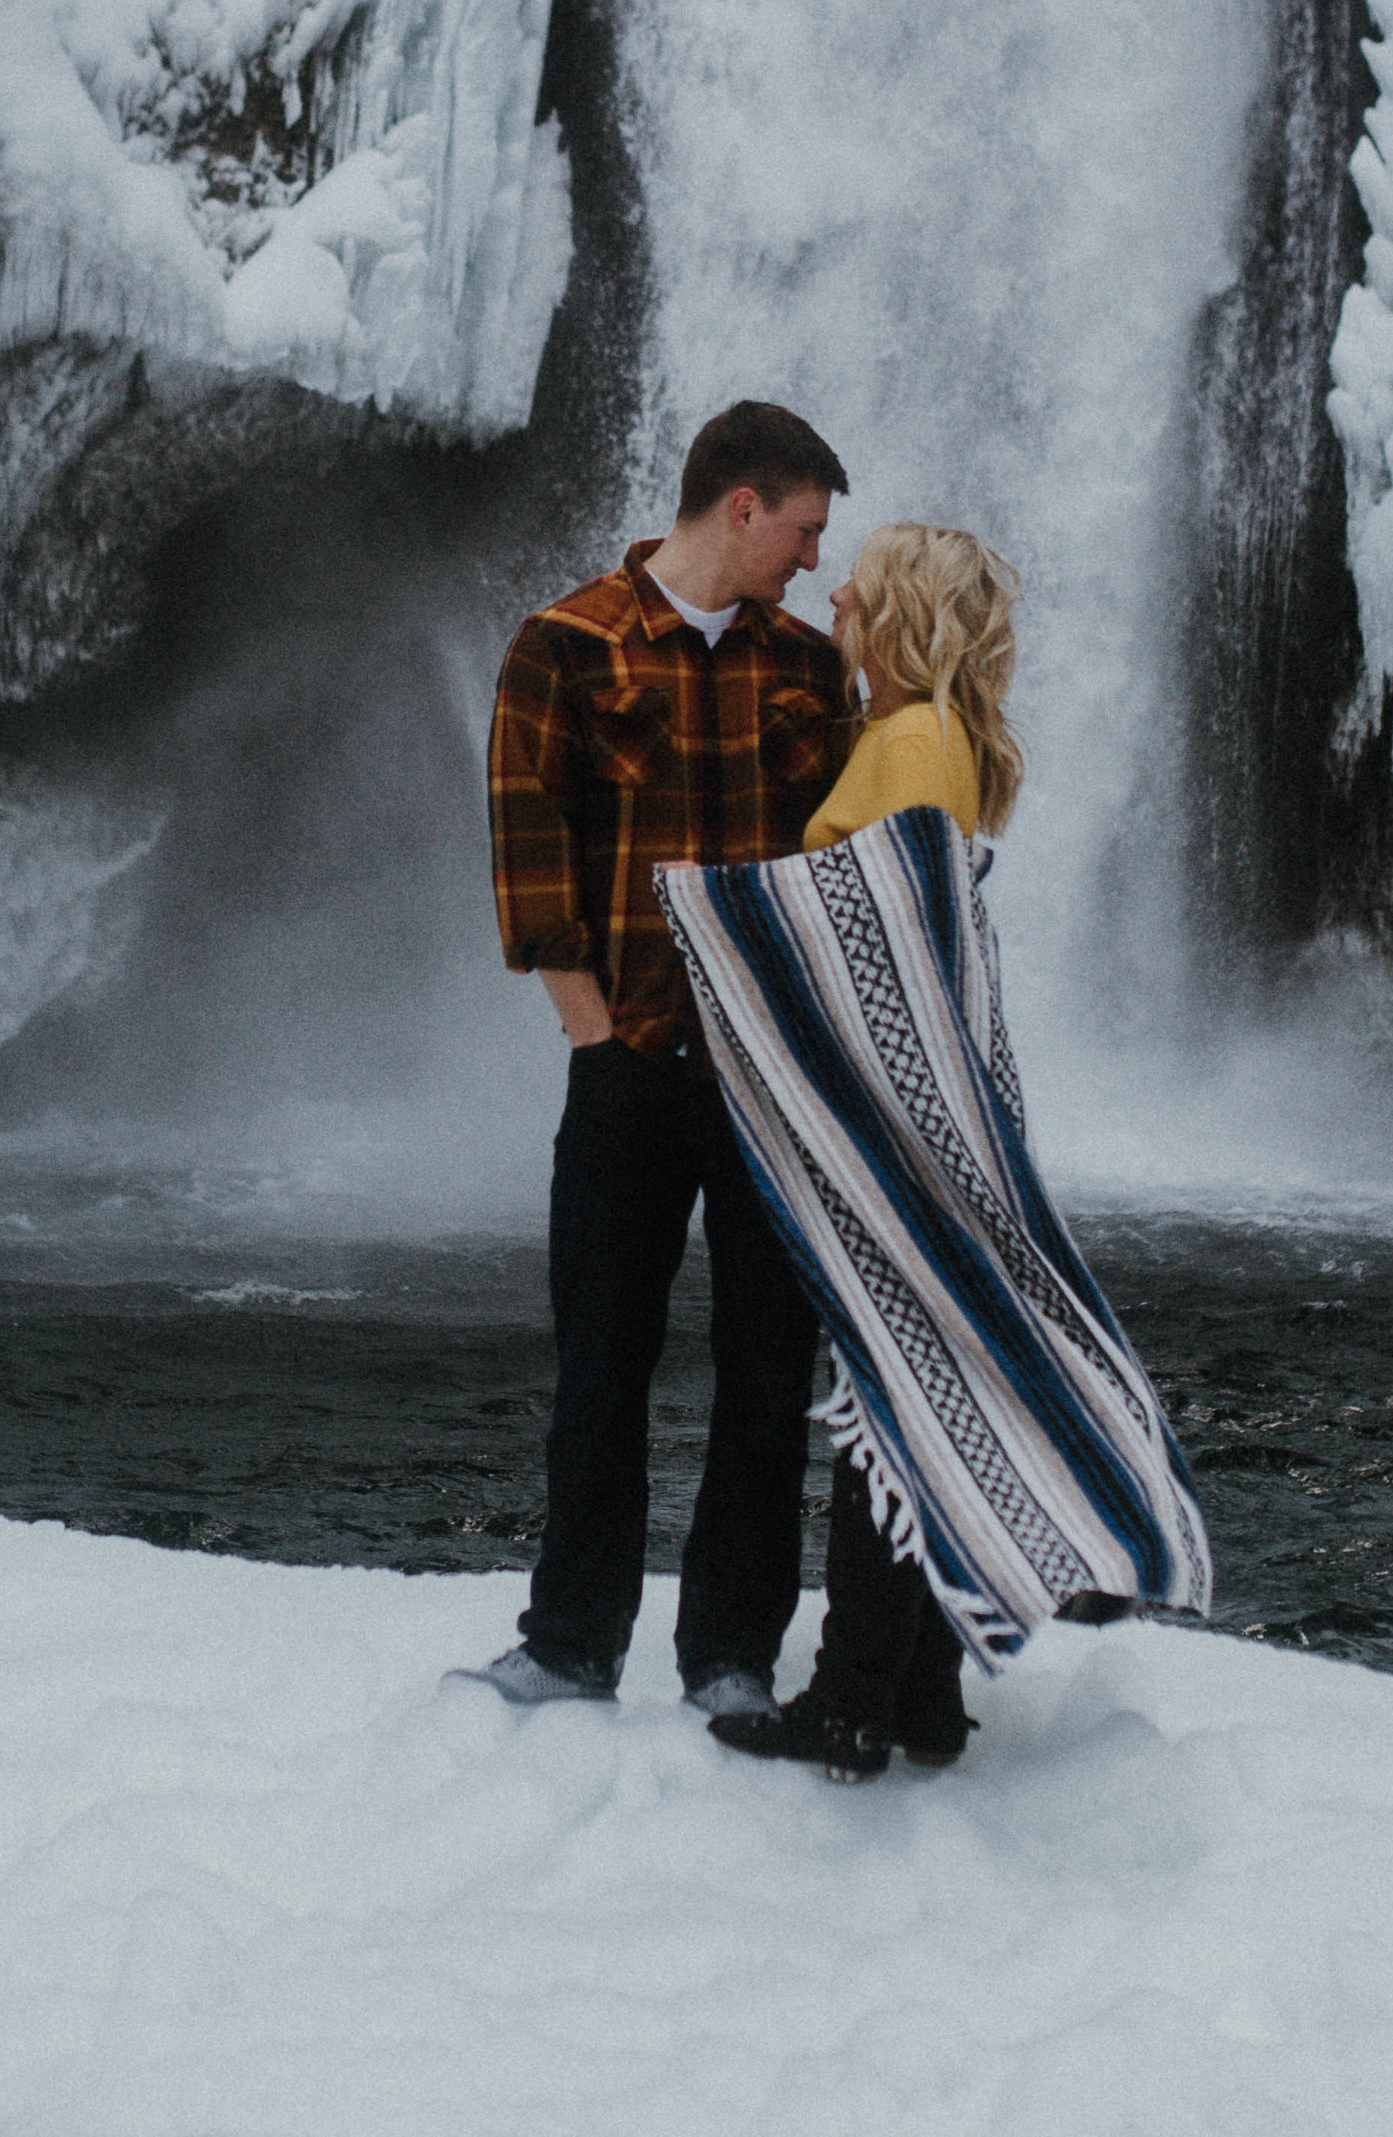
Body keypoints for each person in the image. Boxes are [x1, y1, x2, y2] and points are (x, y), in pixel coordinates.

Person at [449, 400, 859, 1716]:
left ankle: (730, 1653)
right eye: (802, 529)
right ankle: (573, 1642)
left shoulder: (807, 669)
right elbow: (528, 861)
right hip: (627, 1066)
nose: (811, 559)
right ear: (740, 506)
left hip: (772, 1080)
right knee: (601, 1363)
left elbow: (848, 864)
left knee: (766, 1371)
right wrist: (597, 1037)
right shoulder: (560, 648)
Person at [703, 519, 1026, 1781]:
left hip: (890, 1117)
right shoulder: (923, 737)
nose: (832, 589)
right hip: (920, 1109)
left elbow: (882, 936)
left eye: (862, 583)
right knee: (910, 1393)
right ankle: (925, 1697)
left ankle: (847, 1701)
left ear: (900, 621)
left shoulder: (911, 742)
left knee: (882, 1405)